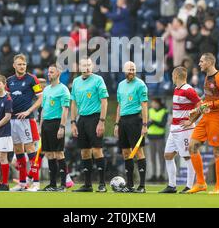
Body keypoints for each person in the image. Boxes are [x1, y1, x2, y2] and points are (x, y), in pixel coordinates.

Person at [187, 53, 219, 194]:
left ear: (209, 62)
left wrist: (210, 104)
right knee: (192, 146)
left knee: (217, 151)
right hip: (206, 117)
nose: (199, 64)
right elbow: (207, 100)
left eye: (201, 61)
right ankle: (201, 183)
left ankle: (218, 187)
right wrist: (196, 113)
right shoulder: (207, 77)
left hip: (217, 118)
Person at [159, 66, 201, 194]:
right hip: (174, 129)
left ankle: (189, 186)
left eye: (172, 76)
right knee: (168, 155)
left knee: (188, 157)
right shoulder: (177, 89)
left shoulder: (188, 90)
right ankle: (172, 186)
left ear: (176, 76)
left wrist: (192, 121)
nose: (172, 78)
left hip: (184, 129)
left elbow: (201, 104)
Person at [70, 58, 109, 192]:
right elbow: (73, 103)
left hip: (95, 118)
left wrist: (102, 122)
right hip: (82, 119)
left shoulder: (98, 80)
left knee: (97, 150)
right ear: (79, 67)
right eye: (84, 65)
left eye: (88, 65)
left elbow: (104, 102)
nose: (86, 68)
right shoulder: (76, 82)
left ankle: (102, 184)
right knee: (84, 151)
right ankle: (87, 185)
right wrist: (73, 122)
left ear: (92, 67)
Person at [7, 54, 43, 192]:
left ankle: (36, 182)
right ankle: (22, 183)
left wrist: (28, 111)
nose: (22, 66)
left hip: (27, 120)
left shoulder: (32, 79)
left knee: (30, 149)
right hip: (13, 120)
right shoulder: (9, 81)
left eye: (24, 64)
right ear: (14, 65)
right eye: (19, 64)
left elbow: (40, 98)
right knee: (18, 150)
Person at [114, 61, 149, 193]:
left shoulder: (140, 84)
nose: (132, 71)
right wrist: (117, 124)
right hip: (123, 121)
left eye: (133, 69)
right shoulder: (120, 85)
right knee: (126, 153)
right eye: (129, 69)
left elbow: (144, 105)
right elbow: (119, 105)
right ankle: (130, 185)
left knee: (138, 151)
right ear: (124, 70)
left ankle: (142, 186)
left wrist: (145, 124)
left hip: (135, 120)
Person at [40, 64, 71, 192]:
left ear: (58, 73)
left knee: (59, 153)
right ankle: (52, 184)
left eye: (52, 72)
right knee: (48, 153)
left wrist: (62, 127)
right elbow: (43, 109)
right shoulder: (46, 90)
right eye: (48, 72)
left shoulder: (63, 89)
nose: (49, 74)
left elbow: (65, 110)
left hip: (56, 123)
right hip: (46, 124)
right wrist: (40, 125)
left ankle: (63, 185)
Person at [147, 98, 167, 183]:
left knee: (161, 157)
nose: (152, 105)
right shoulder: (150, 110)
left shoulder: (164, 112)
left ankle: (161, 175)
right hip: (151, 137)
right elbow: (147, 122)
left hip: (160, 137)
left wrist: (153, 121)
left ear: (158, 103)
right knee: (152, 158)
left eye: (154, 103)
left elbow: (162, 124)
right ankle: (153, 174)